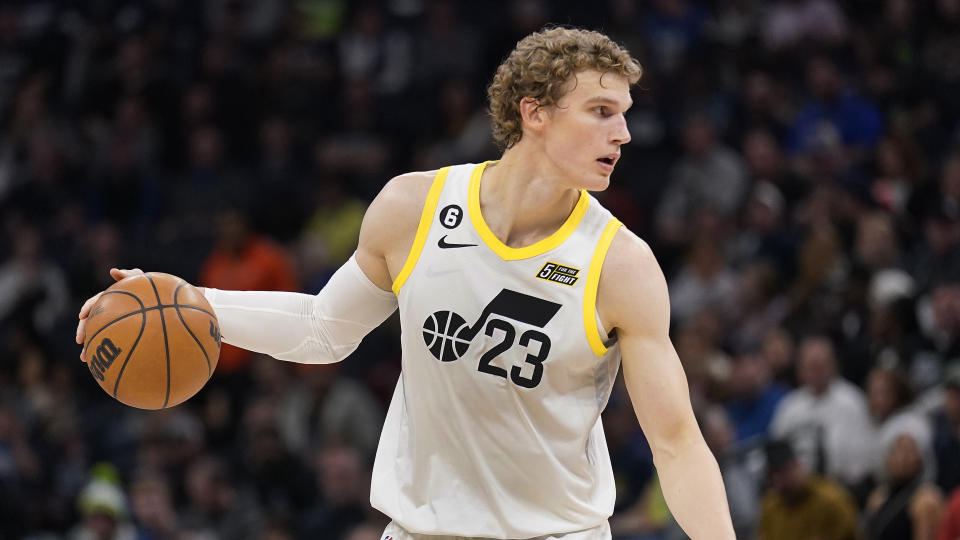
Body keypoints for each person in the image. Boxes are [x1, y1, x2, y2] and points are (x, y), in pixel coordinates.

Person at [77, 27, 734, 540]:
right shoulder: (415, 207)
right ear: (534, 113)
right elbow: (323, 330)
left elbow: (675, 442)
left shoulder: (621, 263)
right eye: (600, 111)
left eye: (623, 113)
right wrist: (191, 303)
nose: (623, 132)